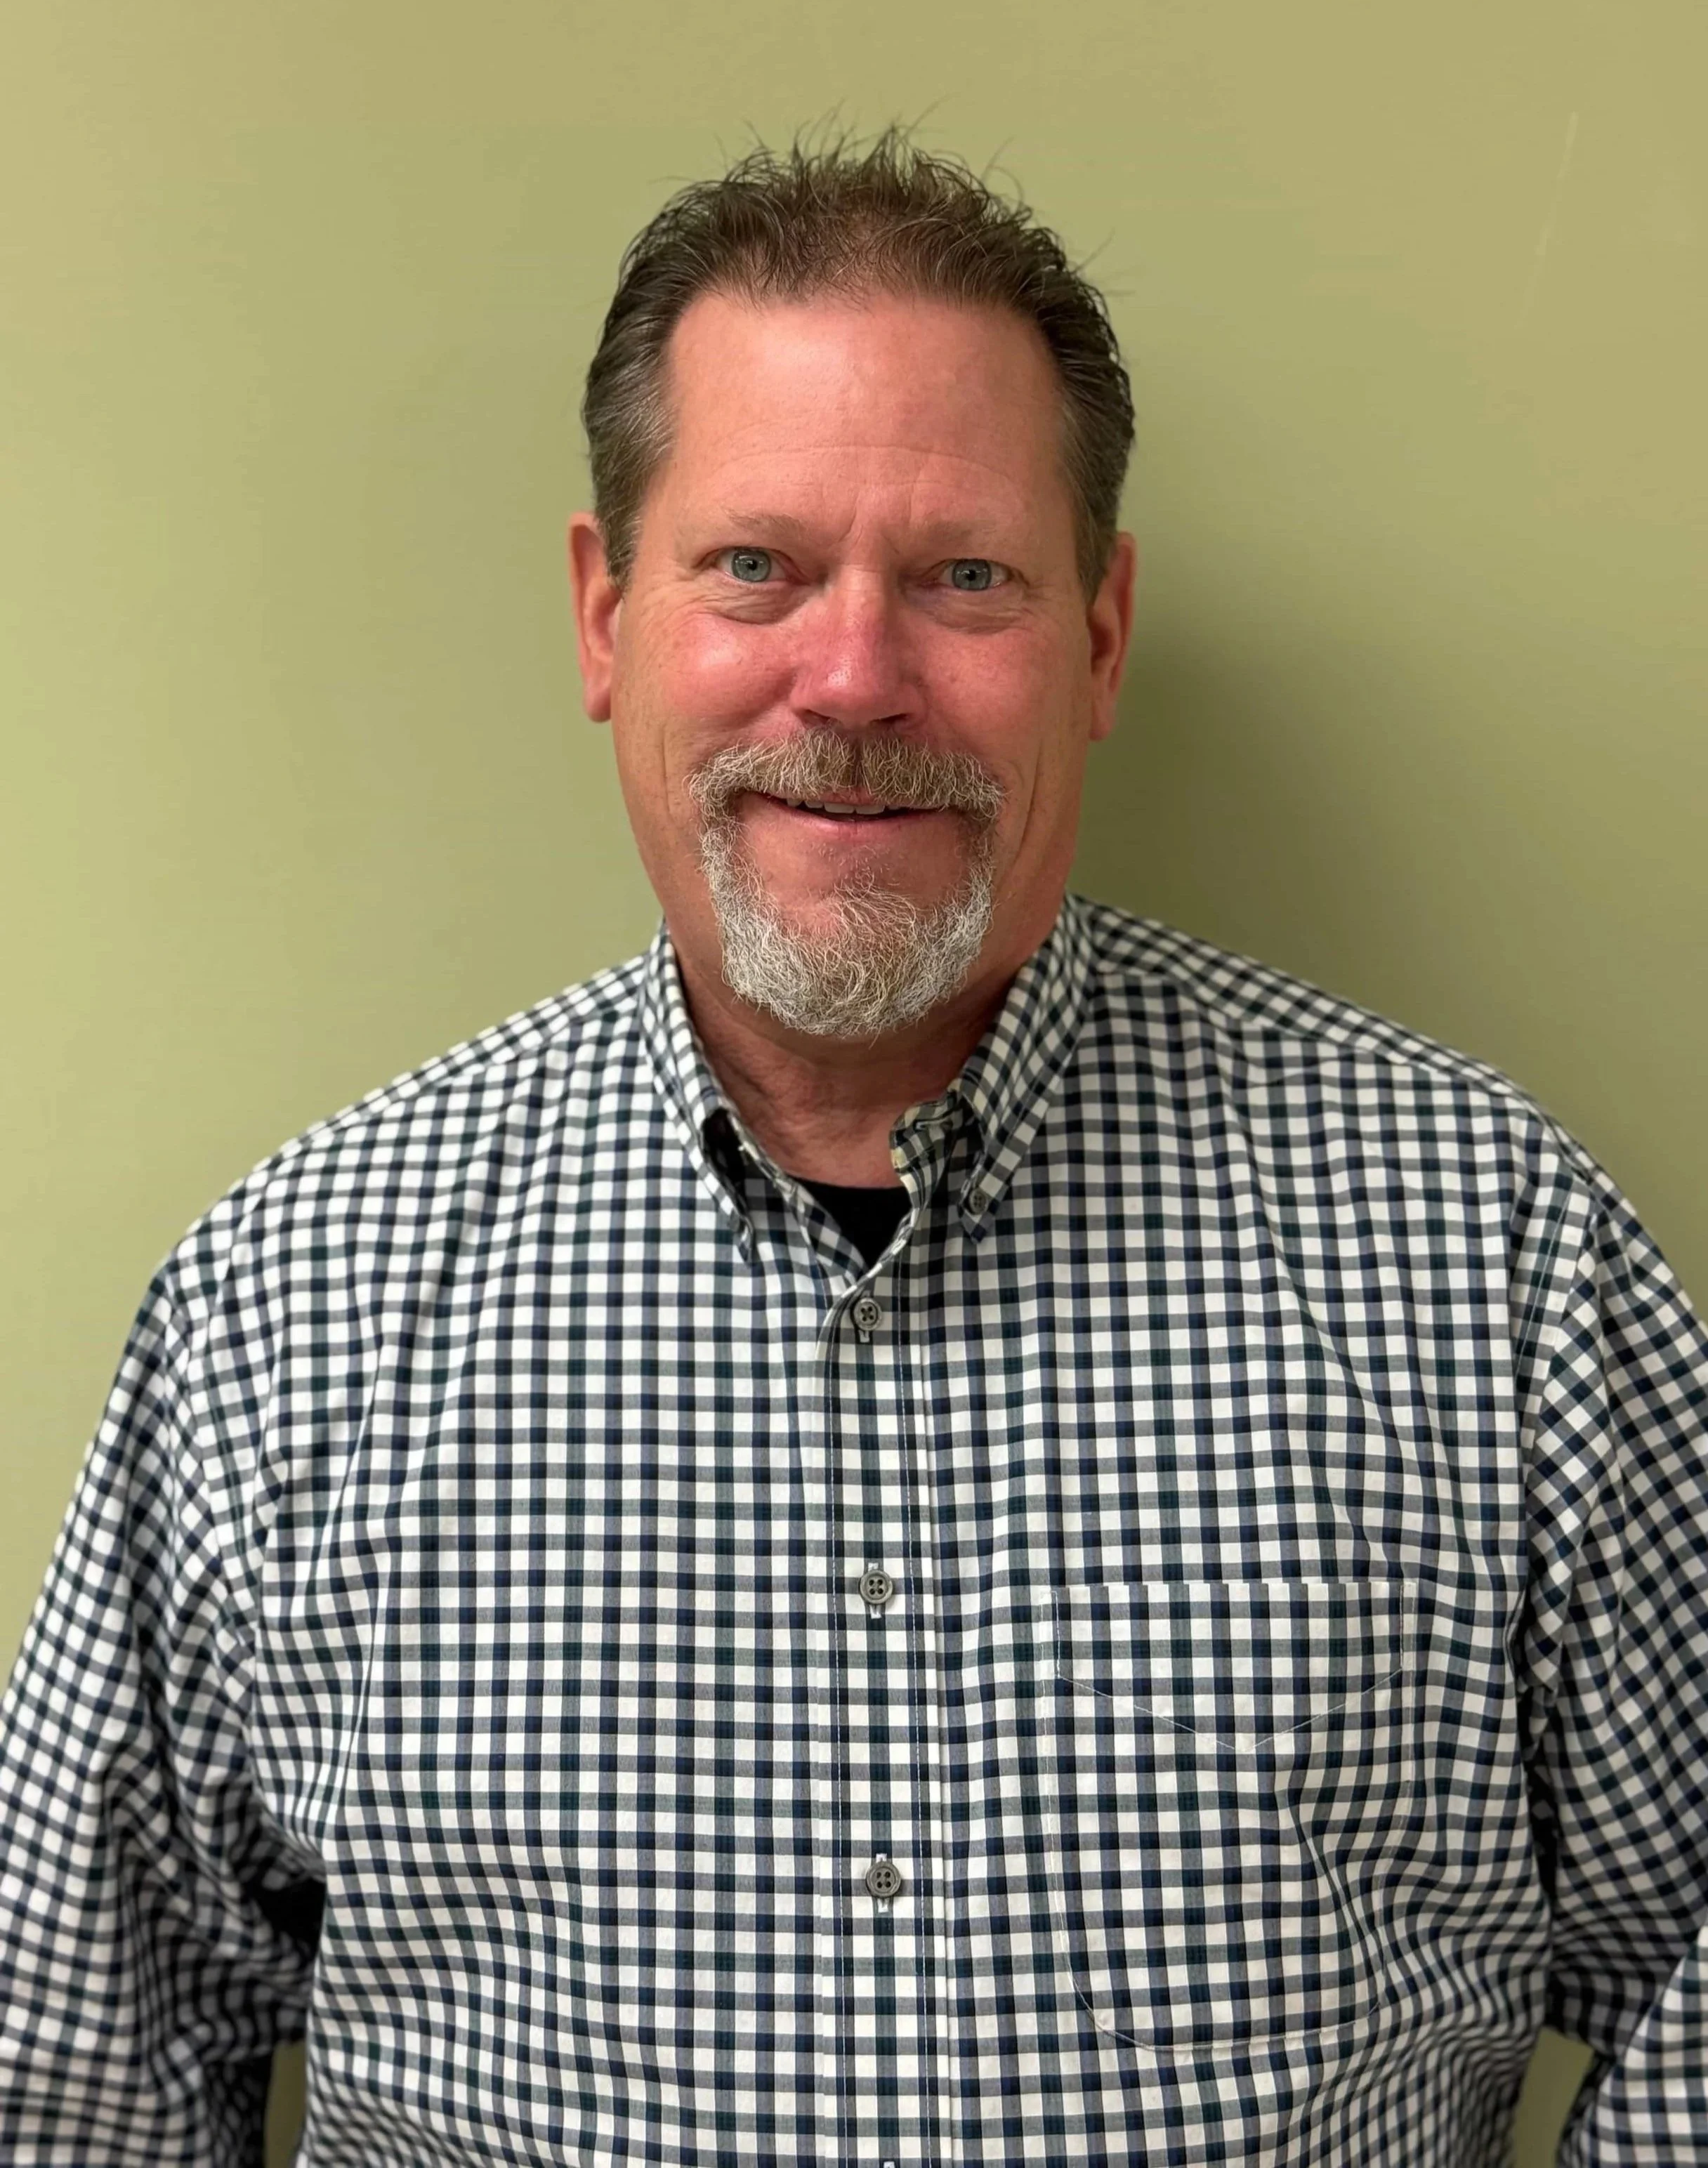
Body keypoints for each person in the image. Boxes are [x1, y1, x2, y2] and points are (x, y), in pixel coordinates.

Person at [2, 130, 1705, 2168]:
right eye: (756, 566)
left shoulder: (1491, 1261)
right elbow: (69, 2071)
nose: (855, 677)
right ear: (603, 617)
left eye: (965, 576)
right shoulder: (292, 1311)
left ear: (1097, 633)